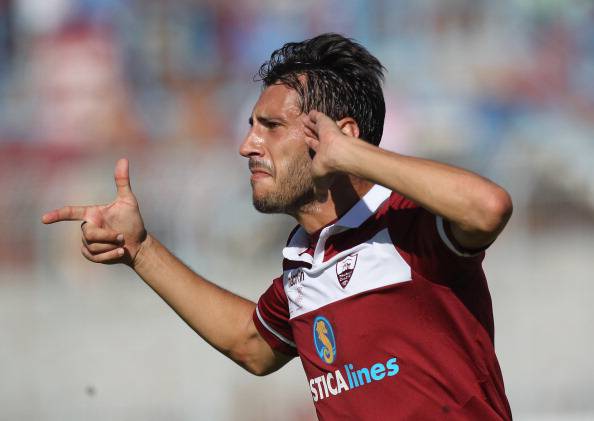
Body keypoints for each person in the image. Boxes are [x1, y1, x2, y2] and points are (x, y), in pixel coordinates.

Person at [42, 33, 513, 420]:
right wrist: (141, 249)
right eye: (252, 126)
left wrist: (354, 156)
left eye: (270, 126)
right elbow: (251, 344)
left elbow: (489, 207)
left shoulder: (406, 222)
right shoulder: (303, 259)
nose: (247, 144)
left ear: (341, 135)